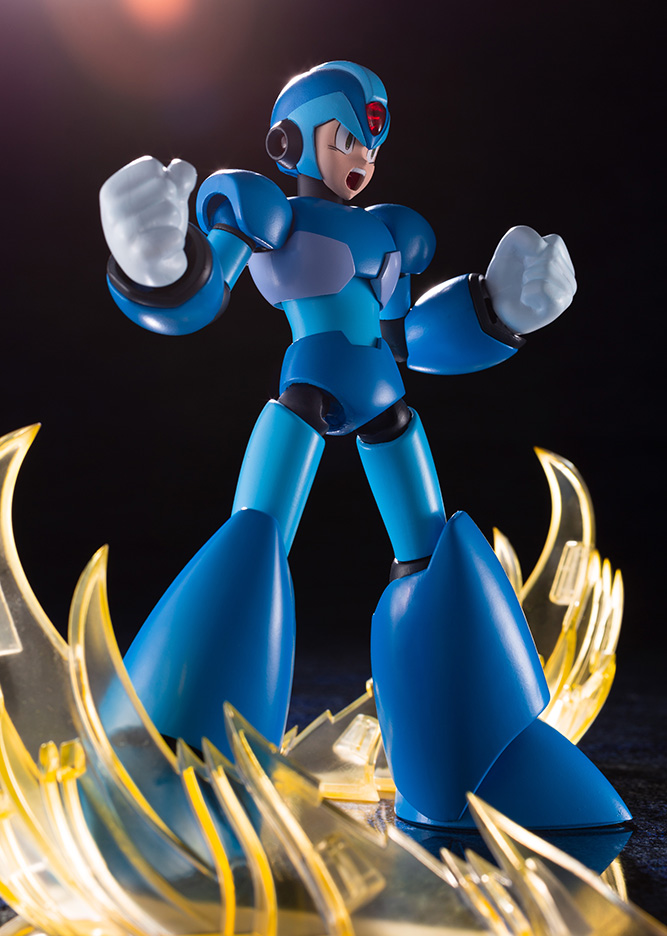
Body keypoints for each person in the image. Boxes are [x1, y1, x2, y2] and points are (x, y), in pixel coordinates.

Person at [100, 61, 629, 829]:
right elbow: (204, 294)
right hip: (306, 392)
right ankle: (177, 753)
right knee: (254, 539)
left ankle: (484, 757)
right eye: (344, 139)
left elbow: (407, 337)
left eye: (370, 146)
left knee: (430, 555)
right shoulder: (265, 214)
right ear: (289, 142)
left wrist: (496, 310)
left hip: (388, 402)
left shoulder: (390, 232)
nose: (360, 159)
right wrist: (157, 267)